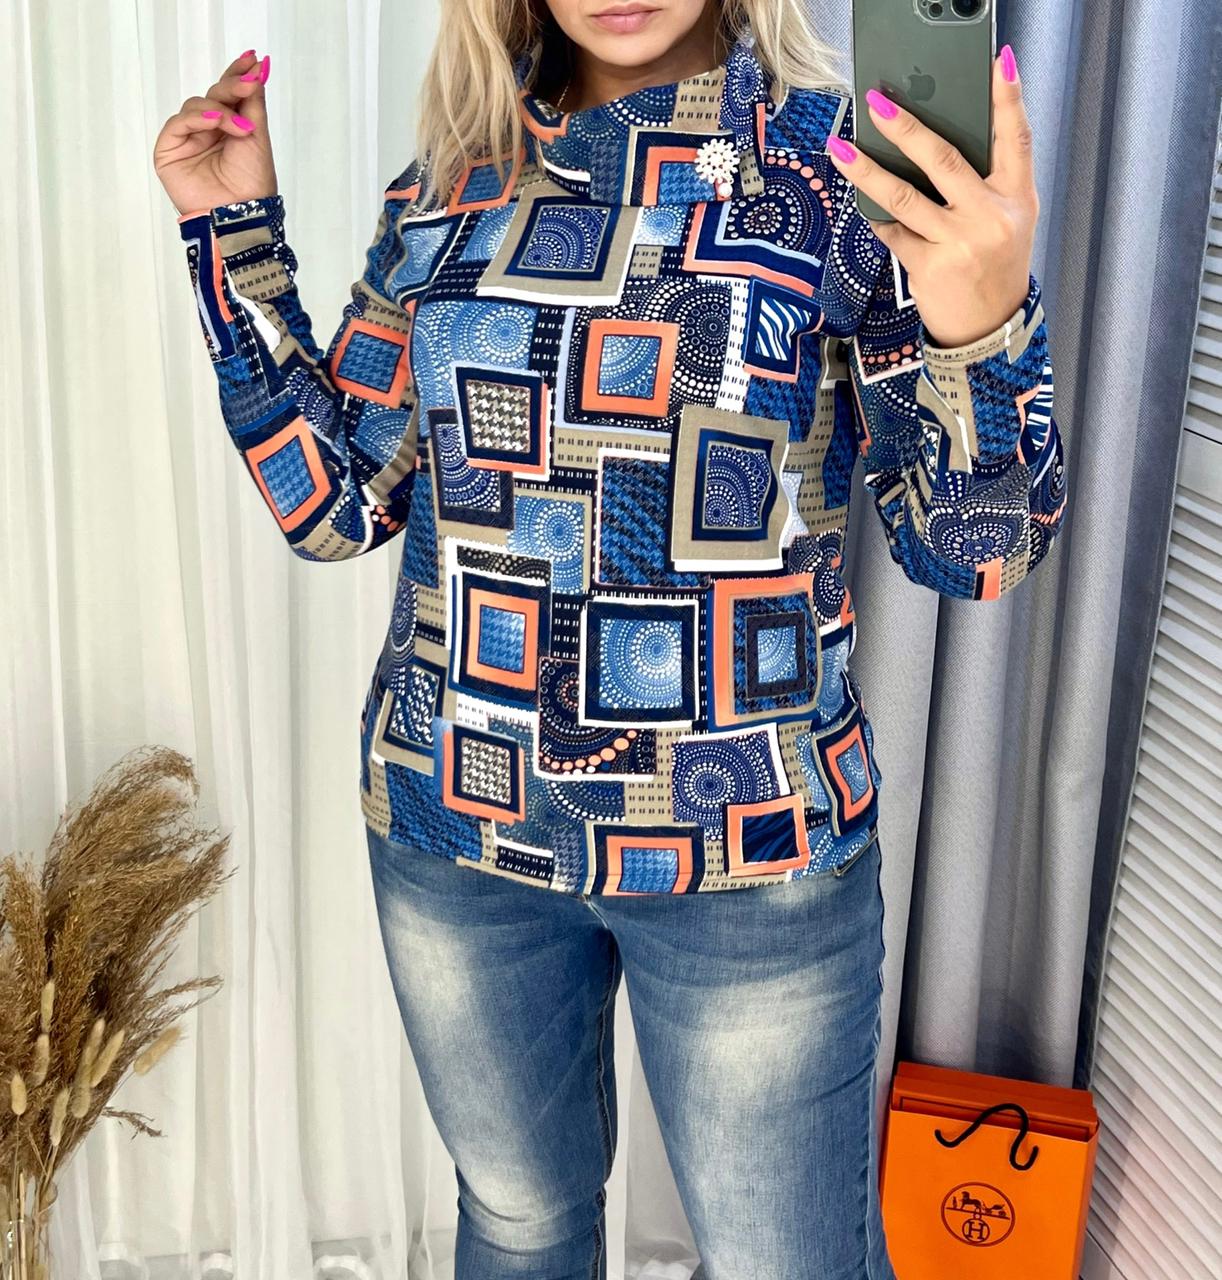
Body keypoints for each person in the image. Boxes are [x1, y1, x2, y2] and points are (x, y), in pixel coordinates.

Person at [153, 0, 1066, 1275]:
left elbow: (973, 552)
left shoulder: (834, 177)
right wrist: (230, 234)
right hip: (457, 828)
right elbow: (335, 503)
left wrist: (984, 319)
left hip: (749, 848)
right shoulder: (450, 184)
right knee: (517, 1223)